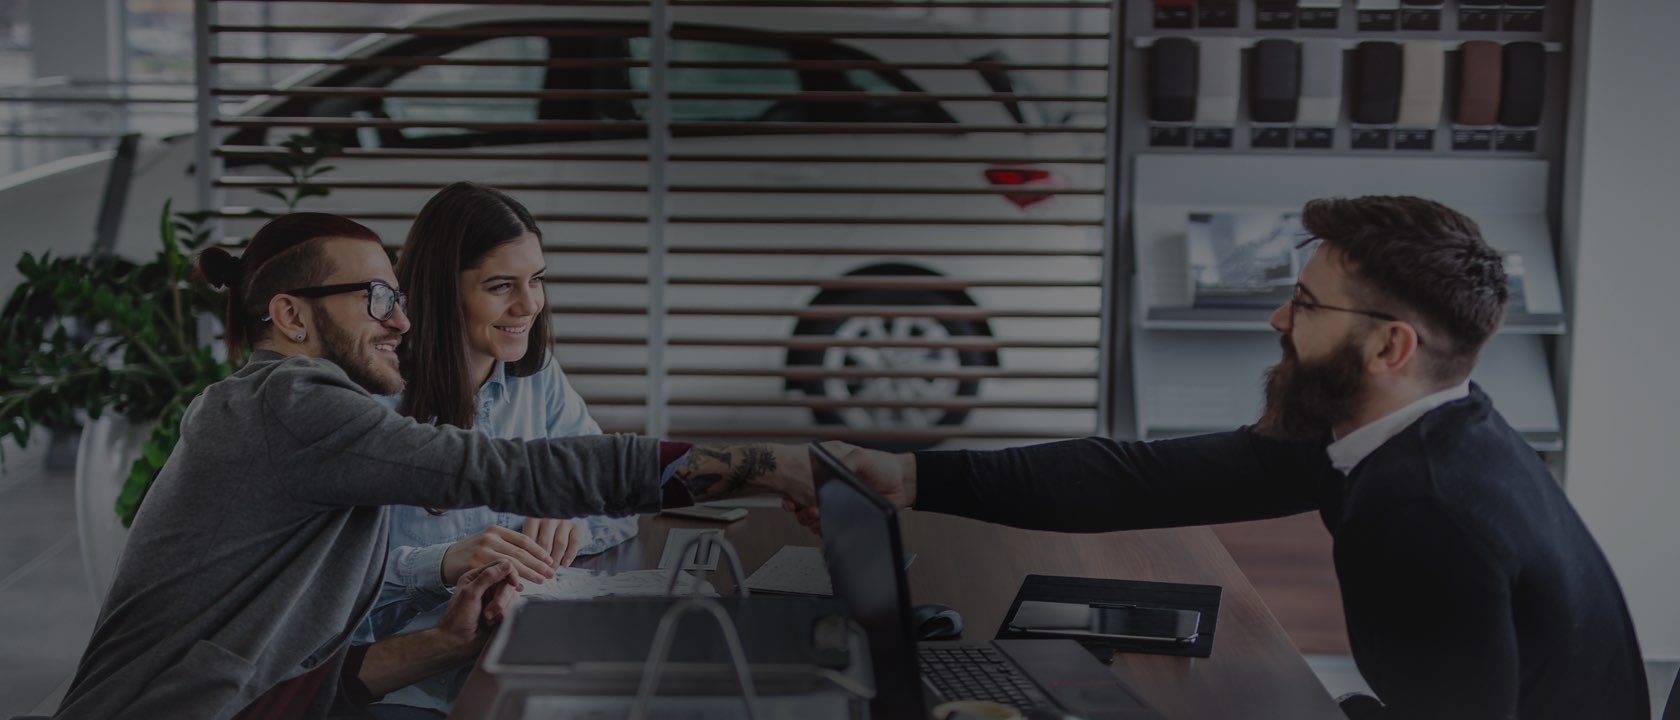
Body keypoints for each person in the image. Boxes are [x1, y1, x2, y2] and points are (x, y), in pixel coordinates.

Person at [796, 196, 1649, 720]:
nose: (1280, 320)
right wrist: (913, 476)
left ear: (1390, 347)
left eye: (1307, 305)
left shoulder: (1427, 508)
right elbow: (1141, 477)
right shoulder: (1415, 427)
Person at [54, 213, 813, 720]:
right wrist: (764, 463)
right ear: (290, 316)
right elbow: (515, 471)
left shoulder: (295, 416)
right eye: (378, 297)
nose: (403, 319)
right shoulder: (291, 403)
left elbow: (299, 683)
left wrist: (444, 645)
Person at [353, 182, 639, 717]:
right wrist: (440, 564)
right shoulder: (373, 402)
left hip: (520, 657)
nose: (528, 304)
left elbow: (620, 495)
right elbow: (329, 584)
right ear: (441, 291)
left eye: (536, 280)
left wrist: (569, 516)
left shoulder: (536, 378)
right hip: (409, 687)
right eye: (501, 285)